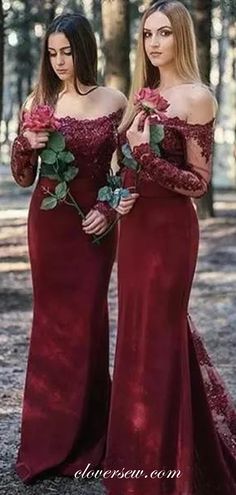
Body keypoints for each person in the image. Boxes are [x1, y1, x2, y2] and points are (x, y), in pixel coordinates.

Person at [103, 2, 236, 494]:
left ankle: (168, 460)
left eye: (163, 33)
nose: (153, 43)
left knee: (160, 331)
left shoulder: (198, 97)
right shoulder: (146, 95)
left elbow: (198, 183)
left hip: (172, 233)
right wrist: (121, 191)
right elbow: (123, 167)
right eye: (146, 34)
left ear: (182, 37)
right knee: (137, 334)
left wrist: (145, 158)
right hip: (134, 229)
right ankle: (136, 453)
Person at [10, 12, 128, 484]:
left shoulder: (115, 100)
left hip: (95, 226)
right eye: (52, 53)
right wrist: (26, 143)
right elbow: (23, 178)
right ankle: (47, 440)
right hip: (50, 223)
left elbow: (126, 171)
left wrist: (110, 207)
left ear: (86, 50)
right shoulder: (39, 101)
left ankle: (89, 436)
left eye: (68, 51)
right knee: (52, 324)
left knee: (88, 321)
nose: (60, 61)